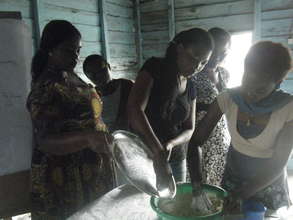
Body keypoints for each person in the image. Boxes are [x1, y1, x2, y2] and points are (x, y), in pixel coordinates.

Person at [187, 41, 293, 213]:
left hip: (267, 181)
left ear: (278, 83)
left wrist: (242, 194)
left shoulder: (288, 108)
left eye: (259, 90)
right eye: (246, 82)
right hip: (234, 175)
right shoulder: (228, 99)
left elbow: (278, 163)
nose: (249, 94)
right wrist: (197, 186)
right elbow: (195, 142)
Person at [27, 20, 115, 219]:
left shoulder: (70, 76)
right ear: (50, 49)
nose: (75, 57)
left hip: (87, 167)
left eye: (78, 50)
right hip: (63, 174)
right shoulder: (46, 86)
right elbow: (45, 141)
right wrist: (87, 138)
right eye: (69, 51)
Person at [127, 28, 213, 183]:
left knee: (172, 201)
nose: (197, 66)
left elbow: (189, 128)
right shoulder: (154, 68)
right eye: (195, 57)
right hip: (141, 151)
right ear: (180, 49)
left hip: (175, 156)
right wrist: (158, 151)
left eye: (203, 62)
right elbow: (135, 109)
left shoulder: (191, 86)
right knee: (138, 202)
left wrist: (170, 144)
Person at [189, 27, 231, 186]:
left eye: (224, 52)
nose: (218, 57)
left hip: (221, 137)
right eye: (215, 51)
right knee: (201, 181)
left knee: (218, 185)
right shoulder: (193, 74)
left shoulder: (224, 73)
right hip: (200, 138)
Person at [83, 54, 133, 132]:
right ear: (87, 76)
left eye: (100, 70)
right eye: (91, 74)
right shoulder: (92, 96)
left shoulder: (126, 86)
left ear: (108, 67)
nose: (97, 76)